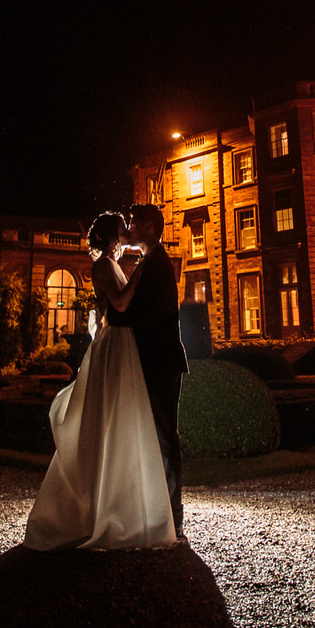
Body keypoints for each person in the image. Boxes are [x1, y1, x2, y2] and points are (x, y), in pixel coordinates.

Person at [22, 212, 177, 550]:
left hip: (123, 343)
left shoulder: (113, 264)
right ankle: (106, 508)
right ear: (112, 236)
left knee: (120, 422)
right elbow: (120, 303)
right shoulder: (107, 265)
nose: (127, 233)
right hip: (116, 345)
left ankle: (120, 503)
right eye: (123, 229)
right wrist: (139, 274)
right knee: (112, 420)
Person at [120, 202, 188, 537]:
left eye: (134, 223)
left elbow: (154, 313)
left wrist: (117, 319)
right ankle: (162, 511)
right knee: (157, 435)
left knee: (164, 435)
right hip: (157, 359)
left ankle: (172, 516)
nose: (129, 228)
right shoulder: (151, 261)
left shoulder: (158, 263)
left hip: (160, 360)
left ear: (149, 227)